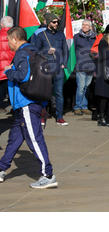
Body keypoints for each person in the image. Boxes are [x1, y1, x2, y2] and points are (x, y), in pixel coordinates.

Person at [0, 27, 58, 188]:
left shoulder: (22, 53)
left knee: (34, 138)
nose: (8, 44)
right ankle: (2, 168)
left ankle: (48, 175)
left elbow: (22, 76)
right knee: (15, 139)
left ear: (14, 39)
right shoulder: (33, 51)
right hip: (26, 103)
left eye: (8, 40)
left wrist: (9, 71)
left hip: (26, 103)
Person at [32, 12, 68, 126]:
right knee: (44, 93)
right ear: (48, 23)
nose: (56, 23)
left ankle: (60, 117)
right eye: (54, 22)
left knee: (59, 93)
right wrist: (45, 52)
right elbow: (36, 51)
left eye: (57, 22)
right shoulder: (41, 35)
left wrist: (64, 63)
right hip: (46, 68)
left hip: (58, 68)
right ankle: (43, 116)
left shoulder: (61, 35)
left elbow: (65, 50)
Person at [73, 19, 97, 115]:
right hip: (81, 66)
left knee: (86, 87)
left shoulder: (94, 38)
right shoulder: (77, 37)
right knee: (81, 87)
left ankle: (84, 106)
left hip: (91, 66)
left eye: (86, 25)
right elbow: (72, 51)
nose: (84, 26)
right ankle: (77, 106)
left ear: (90, 27)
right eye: (83, 25)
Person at [0, 16, 15, 112]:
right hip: (12, 68)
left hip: (1, 68)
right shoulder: (16, 36)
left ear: (1, 24)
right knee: (13, 91)